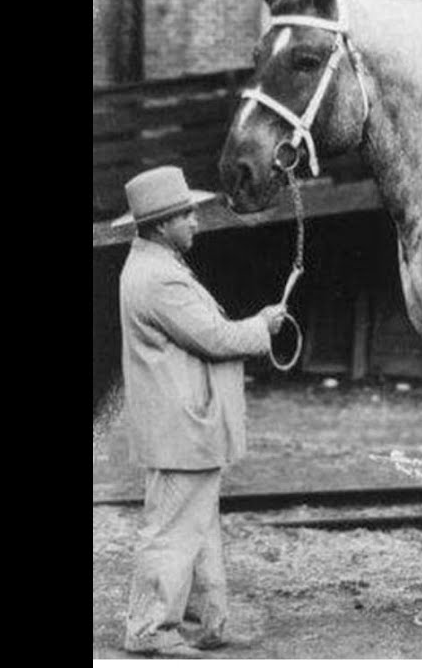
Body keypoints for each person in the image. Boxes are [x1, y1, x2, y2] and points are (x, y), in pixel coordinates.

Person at [115, 166, 287, 657]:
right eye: (186, 213)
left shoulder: (155, 266)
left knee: (197, 528)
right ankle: (150, 630)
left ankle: (207, 622)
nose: (196, 220)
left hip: (183, 426)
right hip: (181, 427)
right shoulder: (160, 279)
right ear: (160, 224)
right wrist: (262, 326)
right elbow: (215, 339)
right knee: (171, 532)